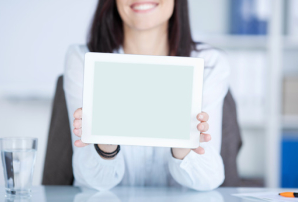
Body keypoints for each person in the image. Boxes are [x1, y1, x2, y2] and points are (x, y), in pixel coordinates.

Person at [64, 0, 230, 191]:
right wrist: (105, 147)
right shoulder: (83, 60)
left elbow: (209, 180)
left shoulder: (210, 64)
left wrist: (185, 146)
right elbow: (91, 183)